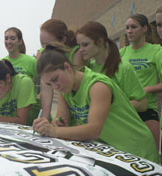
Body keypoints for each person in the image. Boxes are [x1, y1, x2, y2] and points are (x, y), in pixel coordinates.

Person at [32, 42, 160, 164]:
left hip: (138, 153)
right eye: (49, 84)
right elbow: (61, 122)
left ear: (67, 67)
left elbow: (93, 130)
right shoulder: (65, 89)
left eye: (55, 79)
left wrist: (54, 131)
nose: (55, 87)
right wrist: (56, 124)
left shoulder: (97, 85)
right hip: (113, 153)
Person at [76, 21, 147, 112]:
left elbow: (142, 104)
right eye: (79, 45)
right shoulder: (87, 69)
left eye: (85, 45)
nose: (81, 50)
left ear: (100, 41)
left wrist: (108, 104)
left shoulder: (123, 68)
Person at [120, 14, 162, 149]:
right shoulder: (122, 53)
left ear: (144, 28)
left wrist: (147, 89)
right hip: (127, 110)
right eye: (127, 28)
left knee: (152, 157)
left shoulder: (156, 50)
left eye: (133, 27)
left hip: (148, 110)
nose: (129, 31)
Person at [38, 19, 87, 120]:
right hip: (64, 108)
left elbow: (75, 89)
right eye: (42, 43)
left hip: (80, 111)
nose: (45, 48)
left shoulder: (77, 53)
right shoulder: (42, 54)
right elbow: (46, 90)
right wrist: (44, 118)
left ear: (63, 39)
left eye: (48, 44)